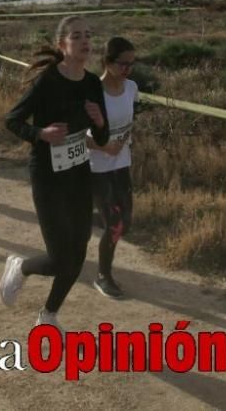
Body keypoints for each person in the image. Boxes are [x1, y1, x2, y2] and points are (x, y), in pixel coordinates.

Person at [0, 16, 109, 330]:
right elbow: (13, 120)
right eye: (77, 36)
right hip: (47, 175)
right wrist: (41, 134)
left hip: (78, 174)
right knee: (61, 258)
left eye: (89, 34)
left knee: (78, 253)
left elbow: (101, 139)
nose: (85, 41)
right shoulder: (47, 80)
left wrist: (100, 122)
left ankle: (48, 315)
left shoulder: (91, 83)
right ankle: (21, 267)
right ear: (63, 45)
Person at [87, 37, 139, 300]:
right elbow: (75, 135)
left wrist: (124, 138)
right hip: (96, 166)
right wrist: (104, 145)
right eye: (123, 64)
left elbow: (130, 120)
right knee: (116, 225)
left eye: (132, 63)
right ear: (107, 62)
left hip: (122, 164)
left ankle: (88, 219)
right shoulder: (92, 91)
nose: (129, 69)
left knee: (125, 222)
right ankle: (103, 276)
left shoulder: (131, 88)